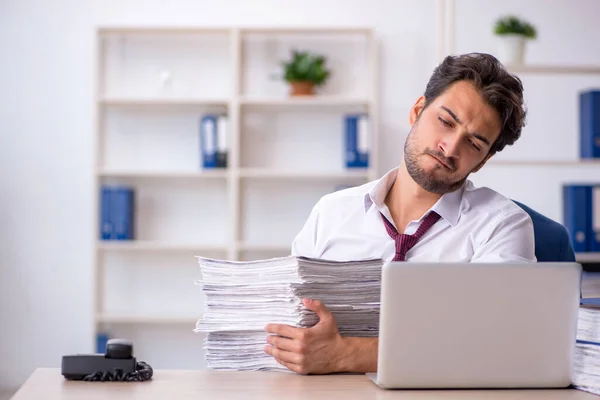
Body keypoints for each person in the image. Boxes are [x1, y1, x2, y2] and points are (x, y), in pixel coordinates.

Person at [264, 52, 536, 375]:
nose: (450, 148)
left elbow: (494, 344)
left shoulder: (502, 226)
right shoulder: (331, 213)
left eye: (474, 144)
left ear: (483, 160)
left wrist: (347, 354)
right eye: (446, 122)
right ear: (418, 110)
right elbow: (289, 331)